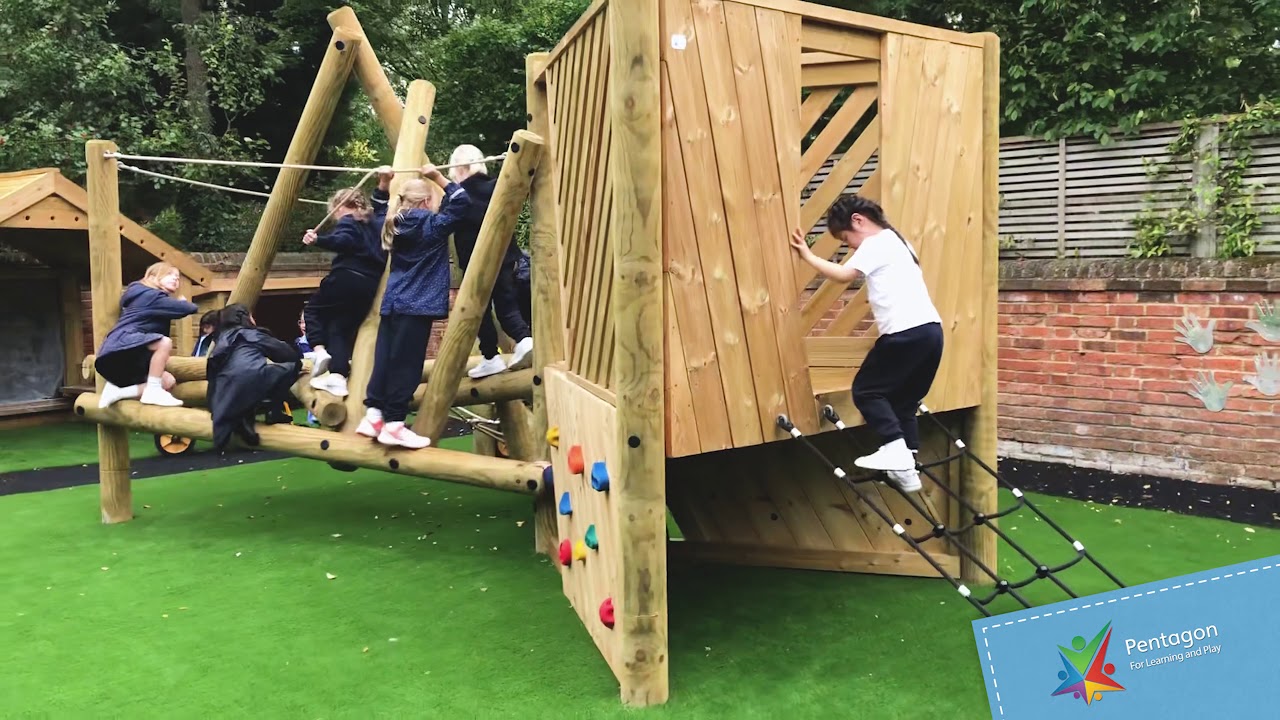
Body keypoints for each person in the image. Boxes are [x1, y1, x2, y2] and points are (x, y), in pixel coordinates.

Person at [788, 195, 944, 493]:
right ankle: (908, 466)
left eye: (847, 239)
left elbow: (844, 275)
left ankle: (895, 450)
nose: (851, 247)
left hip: (904, 332)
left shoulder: (877, 243)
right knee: (904, 402)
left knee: (867, 390)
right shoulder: (900, 242)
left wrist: (807, 255)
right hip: (931, 332)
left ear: (858, 220)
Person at [354, 165, 470, 449]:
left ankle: (373, 415)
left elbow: (378, 209)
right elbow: (463, 202)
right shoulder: (432, 226)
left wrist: (383, 183)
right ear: (426, 202)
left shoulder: (391, 224)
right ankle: (394, 423)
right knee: (406, 366)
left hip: (393, 303)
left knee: (385, 359)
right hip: (416, 306)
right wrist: (438, 177)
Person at [300, 168, 394, 398]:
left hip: (346, 277)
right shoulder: (378, 222)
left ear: (339, 206)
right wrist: (383, 183)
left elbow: (345, 240)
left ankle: (320, 351)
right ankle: (338, 376)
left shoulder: (349, 220)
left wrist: (318, 240)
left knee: (312, 310)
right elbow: (381, 205)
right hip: (369, 285)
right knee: (339, 328)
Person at [446, 144, 533, 379]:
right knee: (506, 304)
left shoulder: (458, 194)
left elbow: (448, 219)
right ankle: (524, 339)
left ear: (458, 168)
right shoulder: (496, 186)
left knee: (477, 311)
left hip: (476, 262)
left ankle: (490, 356)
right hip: (504, 257)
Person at [94, 262, 197, 409]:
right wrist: (183, 302)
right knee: (164, 342)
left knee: (168, 381)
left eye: (177, 277)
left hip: (125, 355)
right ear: (152, 276)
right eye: (169, 275)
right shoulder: (150, 296)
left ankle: (117, 392)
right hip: (121, 346)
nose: (175, 279)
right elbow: (189, 308)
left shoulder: (142, 294)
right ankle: (152, 391)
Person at [206, 304, 303, 451]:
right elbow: (287, 354)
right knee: (293, 365)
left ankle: (243, 421)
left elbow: (212, 372)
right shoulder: (251, 334)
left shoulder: (221, 339)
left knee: (246, 384)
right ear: (244, 317)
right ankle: (274, 412)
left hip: (224, 390)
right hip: (252, 381)